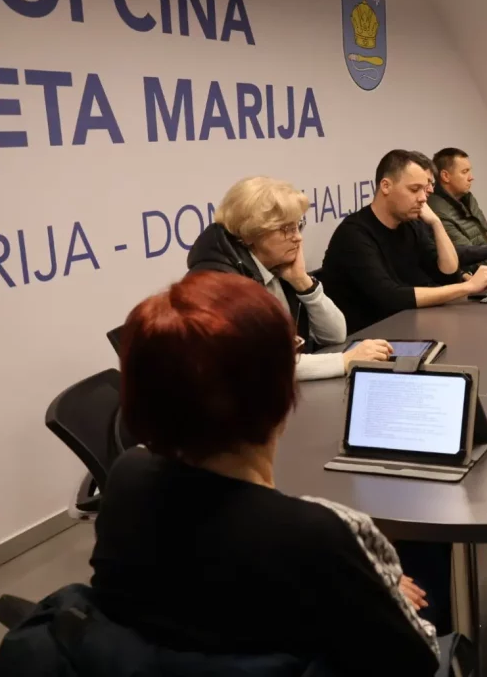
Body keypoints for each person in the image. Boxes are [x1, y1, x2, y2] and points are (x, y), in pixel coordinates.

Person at [90, 272, 443, 674]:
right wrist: (380, 585)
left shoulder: (126, 477)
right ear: (278, 393)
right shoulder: (322, 532)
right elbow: (418, 658)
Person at [187, 176, 392, 380]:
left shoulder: (276, 266)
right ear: (251, 234)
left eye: (298, 225)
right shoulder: (221, 284)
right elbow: (265, 364)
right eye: (287, 229)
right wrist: (345, 360)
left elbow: (335, 334)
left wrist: (302, 281)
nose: (298, 237)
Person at [321, 150, 487, 331]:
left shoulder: (410, 224)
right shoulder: (354, 234)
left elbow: (447, 274)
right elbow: (391, 297)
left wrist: (437, 224)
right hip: (369, 336)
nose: (423, 198)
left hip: (408, 325)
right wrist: (467, 287)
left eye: (424, 190)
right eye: (414, 190)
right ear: (386, 186)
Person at [428, 147, 487, 272]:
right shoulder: (438, 211)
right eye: (464, 172)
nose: (471, 177)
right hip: (479, 274)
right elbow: (473, 262)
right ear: (446, 176)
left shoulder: (468, 198)